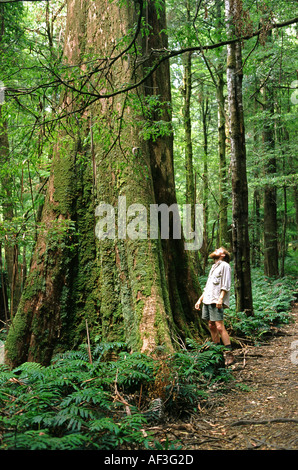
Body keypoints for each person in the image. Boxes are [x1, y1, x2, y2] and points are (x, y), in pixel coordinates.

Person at [195, 247, 234, 366]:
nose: (216, 249)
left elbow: (226, 284)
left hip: (216, 300)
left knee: (220, 326)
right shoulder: (213, 267)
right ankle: (217, 352)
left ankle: (229, 354)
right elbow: (208, 286)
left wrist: (221, 299)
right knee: (211, 325)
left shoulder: (225, 266)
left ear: (222, 255)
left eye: (219, 250)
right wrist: (199, 300)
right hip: (207, 299)